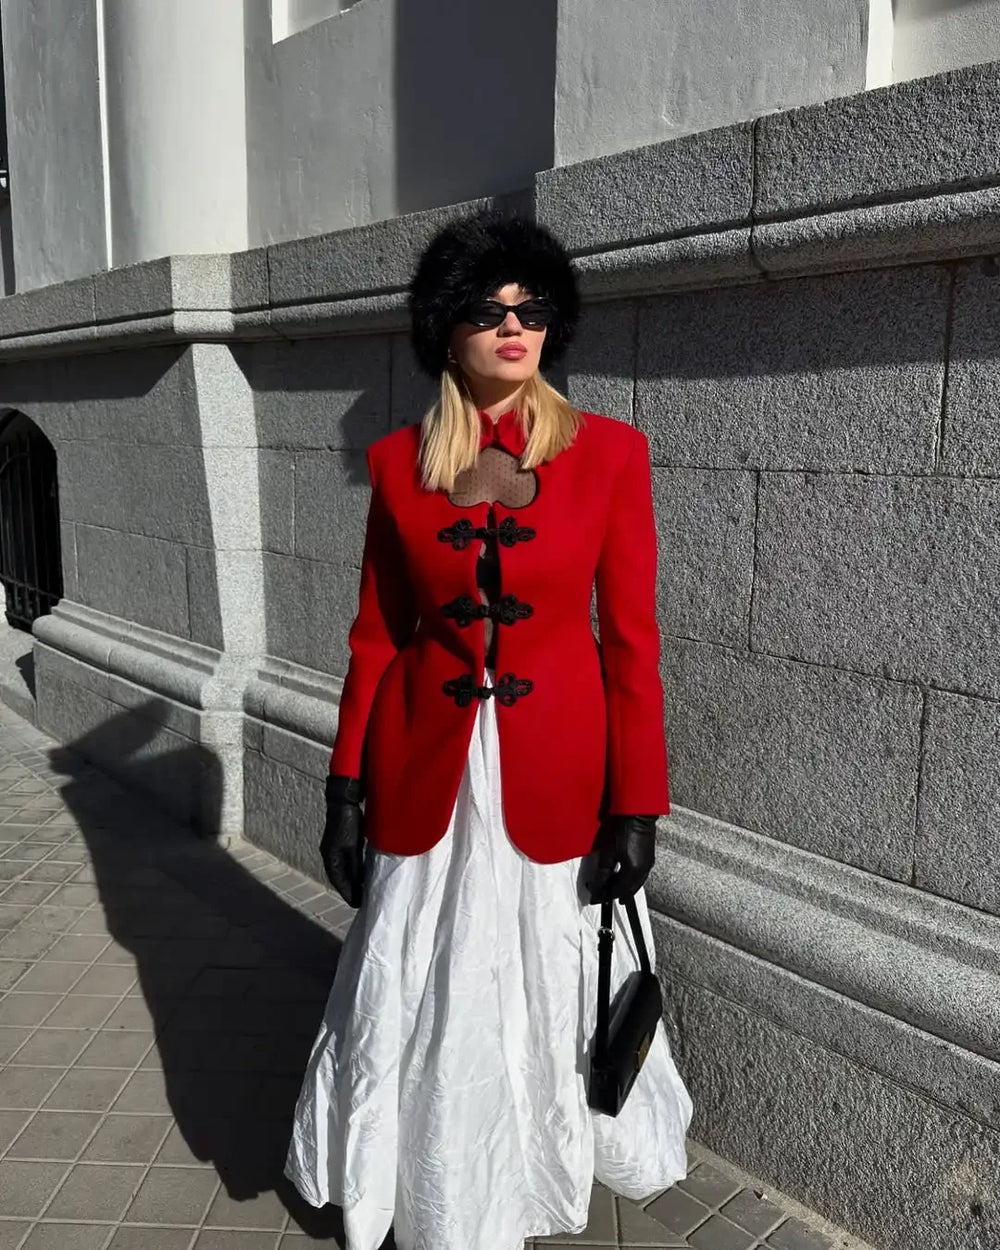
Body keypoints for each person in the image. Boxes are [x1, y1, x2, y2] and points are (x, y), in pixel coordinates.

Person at [284, 209, 693, 1250]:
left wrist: (637, 802)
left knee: (543, 967)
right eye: (485, 309)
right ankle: (420, 1181)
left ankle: (534, 1169)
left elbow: (630, 646)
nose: (513, 327)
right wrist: (341, 788)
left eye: (531, 307)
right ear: (443, 332)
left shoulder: (610, 457)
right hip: (426, 768)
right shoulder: (394, 465)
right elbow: (374, 639)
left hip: (555, 770)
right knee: (420, 976)